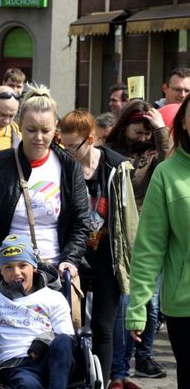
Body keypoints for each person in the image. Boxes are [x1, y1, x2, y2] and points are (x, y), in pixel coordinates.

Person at [0, 86, 89, 282]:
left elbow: (80, 220)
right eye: (31, 130)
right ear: (19, 125)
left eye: (46, 130)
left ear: (55, 127)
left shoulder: (68, 166)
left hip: (53, 271)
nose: (38, 138)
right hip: (5, 271)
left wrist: (71, 259)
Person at [59, 110, 139, 386]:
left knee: (104, 328)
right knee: (71, 327)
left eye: (73, 146)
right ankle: (77, 378)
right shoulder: (62, 167)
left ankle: (102, 382)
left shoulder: (116, 167)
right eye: (63, 145)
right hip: (72, 258)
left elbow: (128, 218)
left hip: (107, 256)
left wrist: (129, 260)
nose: (67, 151)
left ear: (90, 139)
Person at [0, 234, 75, 389]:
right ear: (1, 271)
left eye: (23, 265)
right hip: (14, 365)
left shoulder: (53, 297)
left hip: (51, 361)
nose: (16, 272)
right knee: (28, 385)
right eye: (8, 267)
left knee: (63, 340)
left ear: (34, 267)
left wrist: (43, 343)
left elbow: (67, 337)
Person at [126, 93, 190, 388]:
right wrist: (138, 305)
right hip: (185, 306)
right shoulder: (167, 174)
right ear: (184, 124)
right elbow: (149, 247)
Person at [106, 99, 172, 380]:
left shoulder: (155, 153)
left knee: (151, 303)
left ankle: (144, 357)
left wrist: (160, 130)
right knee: (127, 302)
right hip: (120, 235)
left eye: (148, 133)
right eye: (139, 131)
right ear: (124, 126)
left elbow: (170, 161)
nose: (143, 138)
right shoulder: (111, 151)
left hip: (150, 234)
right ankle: (120, 362)